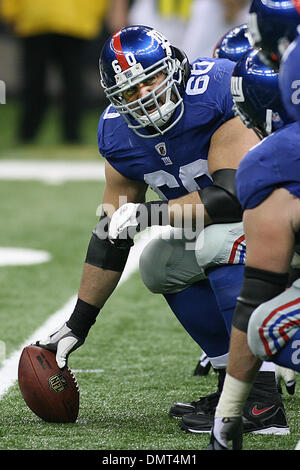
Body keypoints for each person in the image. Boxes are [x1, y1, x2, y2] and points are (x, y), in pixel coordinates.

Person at [35, 24, 286, 435]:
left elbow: (232, 198)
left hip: (279, 218)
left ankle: (260, 401)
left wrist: (151, 214)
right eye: (129, 91)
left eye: (150, 79)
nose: (144, 97)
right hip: (250, 232)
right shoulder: (117, 133)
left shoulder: (215, 93)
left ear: (176, 69)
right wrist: (77, 325)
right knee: (160, 263)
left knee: (216, 240)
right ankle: (231, 384)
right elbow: (111, 228)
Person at [206, 0, 300, 450]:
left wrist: (227, 419)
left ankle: (246, 408)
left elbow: (258, 292)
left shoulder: (271, 158)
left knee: (265, 320)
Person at [0, 0, 124, 144]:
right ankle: (69, 134)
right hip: (69, 19)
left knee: (42, 80)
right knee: (67, 80)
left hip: (39, 17)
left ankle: (30, 133)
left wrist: (11, 13)